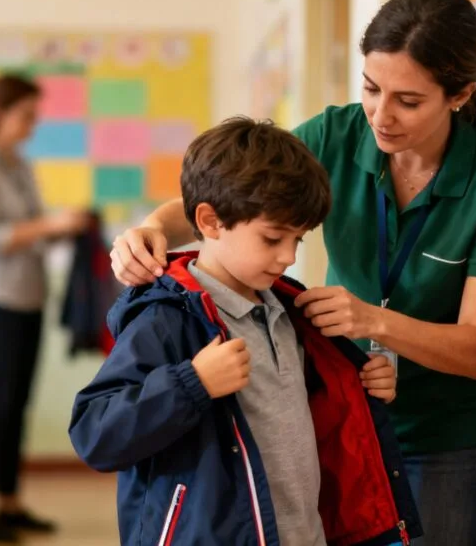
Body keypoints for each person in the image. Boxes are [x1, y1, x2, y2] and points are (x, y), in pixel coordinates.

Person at [109, 0, 476, 545]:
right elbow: (229, 194)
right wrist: (151, 230)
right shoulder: (334, 135)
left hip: (449, 438)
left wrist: (371, 322)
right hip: (349, 418)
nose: (381, 116)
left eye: (408, 101)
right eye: (371, 88)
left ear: (459, 95)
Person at [69, 117, 421, 545]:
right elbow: (95, 432)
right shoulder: (167, 319)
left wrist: (362, 382)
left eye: (299, 240)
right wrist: (192, 384)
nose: (288, 257)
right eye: (273, 239)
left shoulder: (291, 313)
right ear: (211, 221)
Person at [0, 74, 86, 542]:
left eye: (35, 115)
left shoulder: (19, 164)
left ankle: (8, 500)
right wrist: (50, 224)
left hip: (28, 296)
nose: (33, 125)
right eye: (26, 115)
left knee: (17, 405)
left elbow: (31, 230)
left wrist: (64, 227)